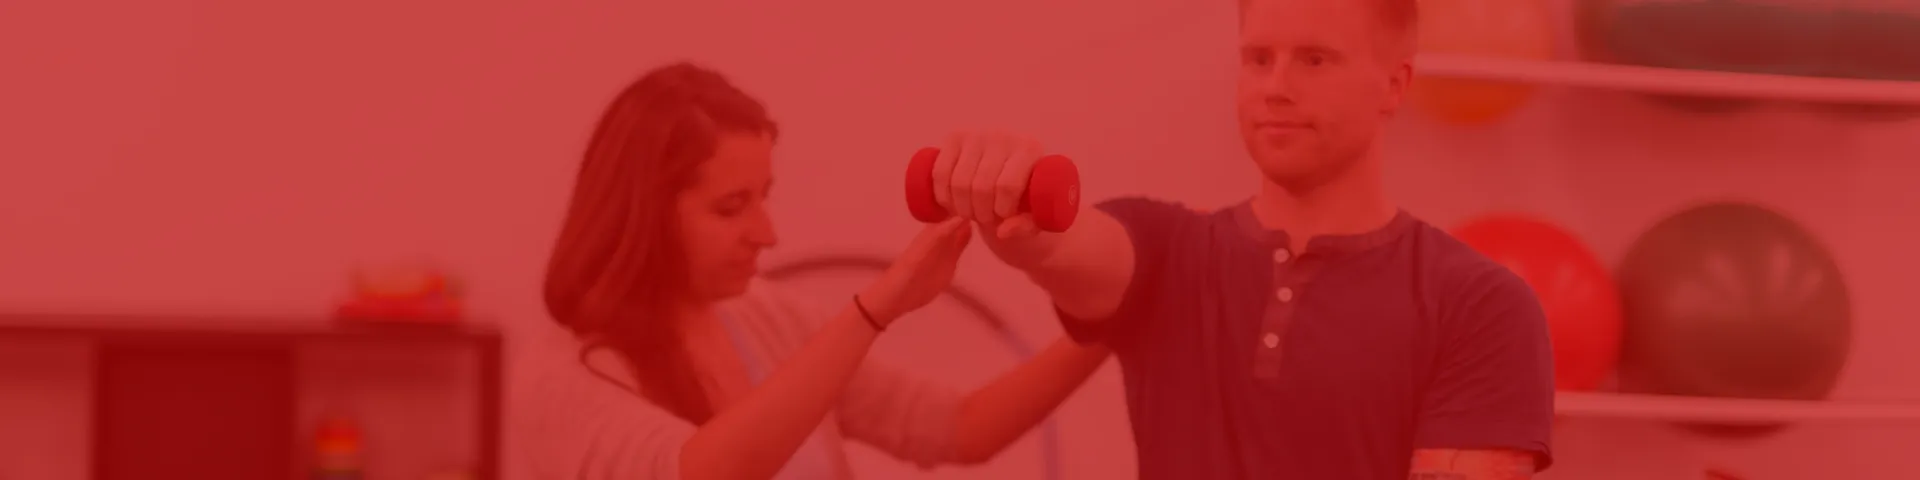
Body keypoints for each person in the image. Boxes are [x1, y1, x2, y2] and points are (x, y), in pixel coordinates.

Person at [922, 0, 1555, 478]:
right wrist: (1022, 219)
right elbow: (1069, 247)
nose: (1276, 87)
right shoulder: (1167, 249)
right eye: (1258, 59)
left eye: (1314, 60)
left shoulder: (1480, 305)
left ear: (1395, 84)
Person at [514, 62, 1111, 480]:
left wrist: (1110, 314)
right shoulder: (563, 377)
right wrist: (876, 309)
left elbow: (958, 428)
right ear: (642, 215)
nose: (766, 234)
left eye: (764, 197)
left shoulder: (765, 317)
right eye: (731, 207)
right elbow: (704, 471)